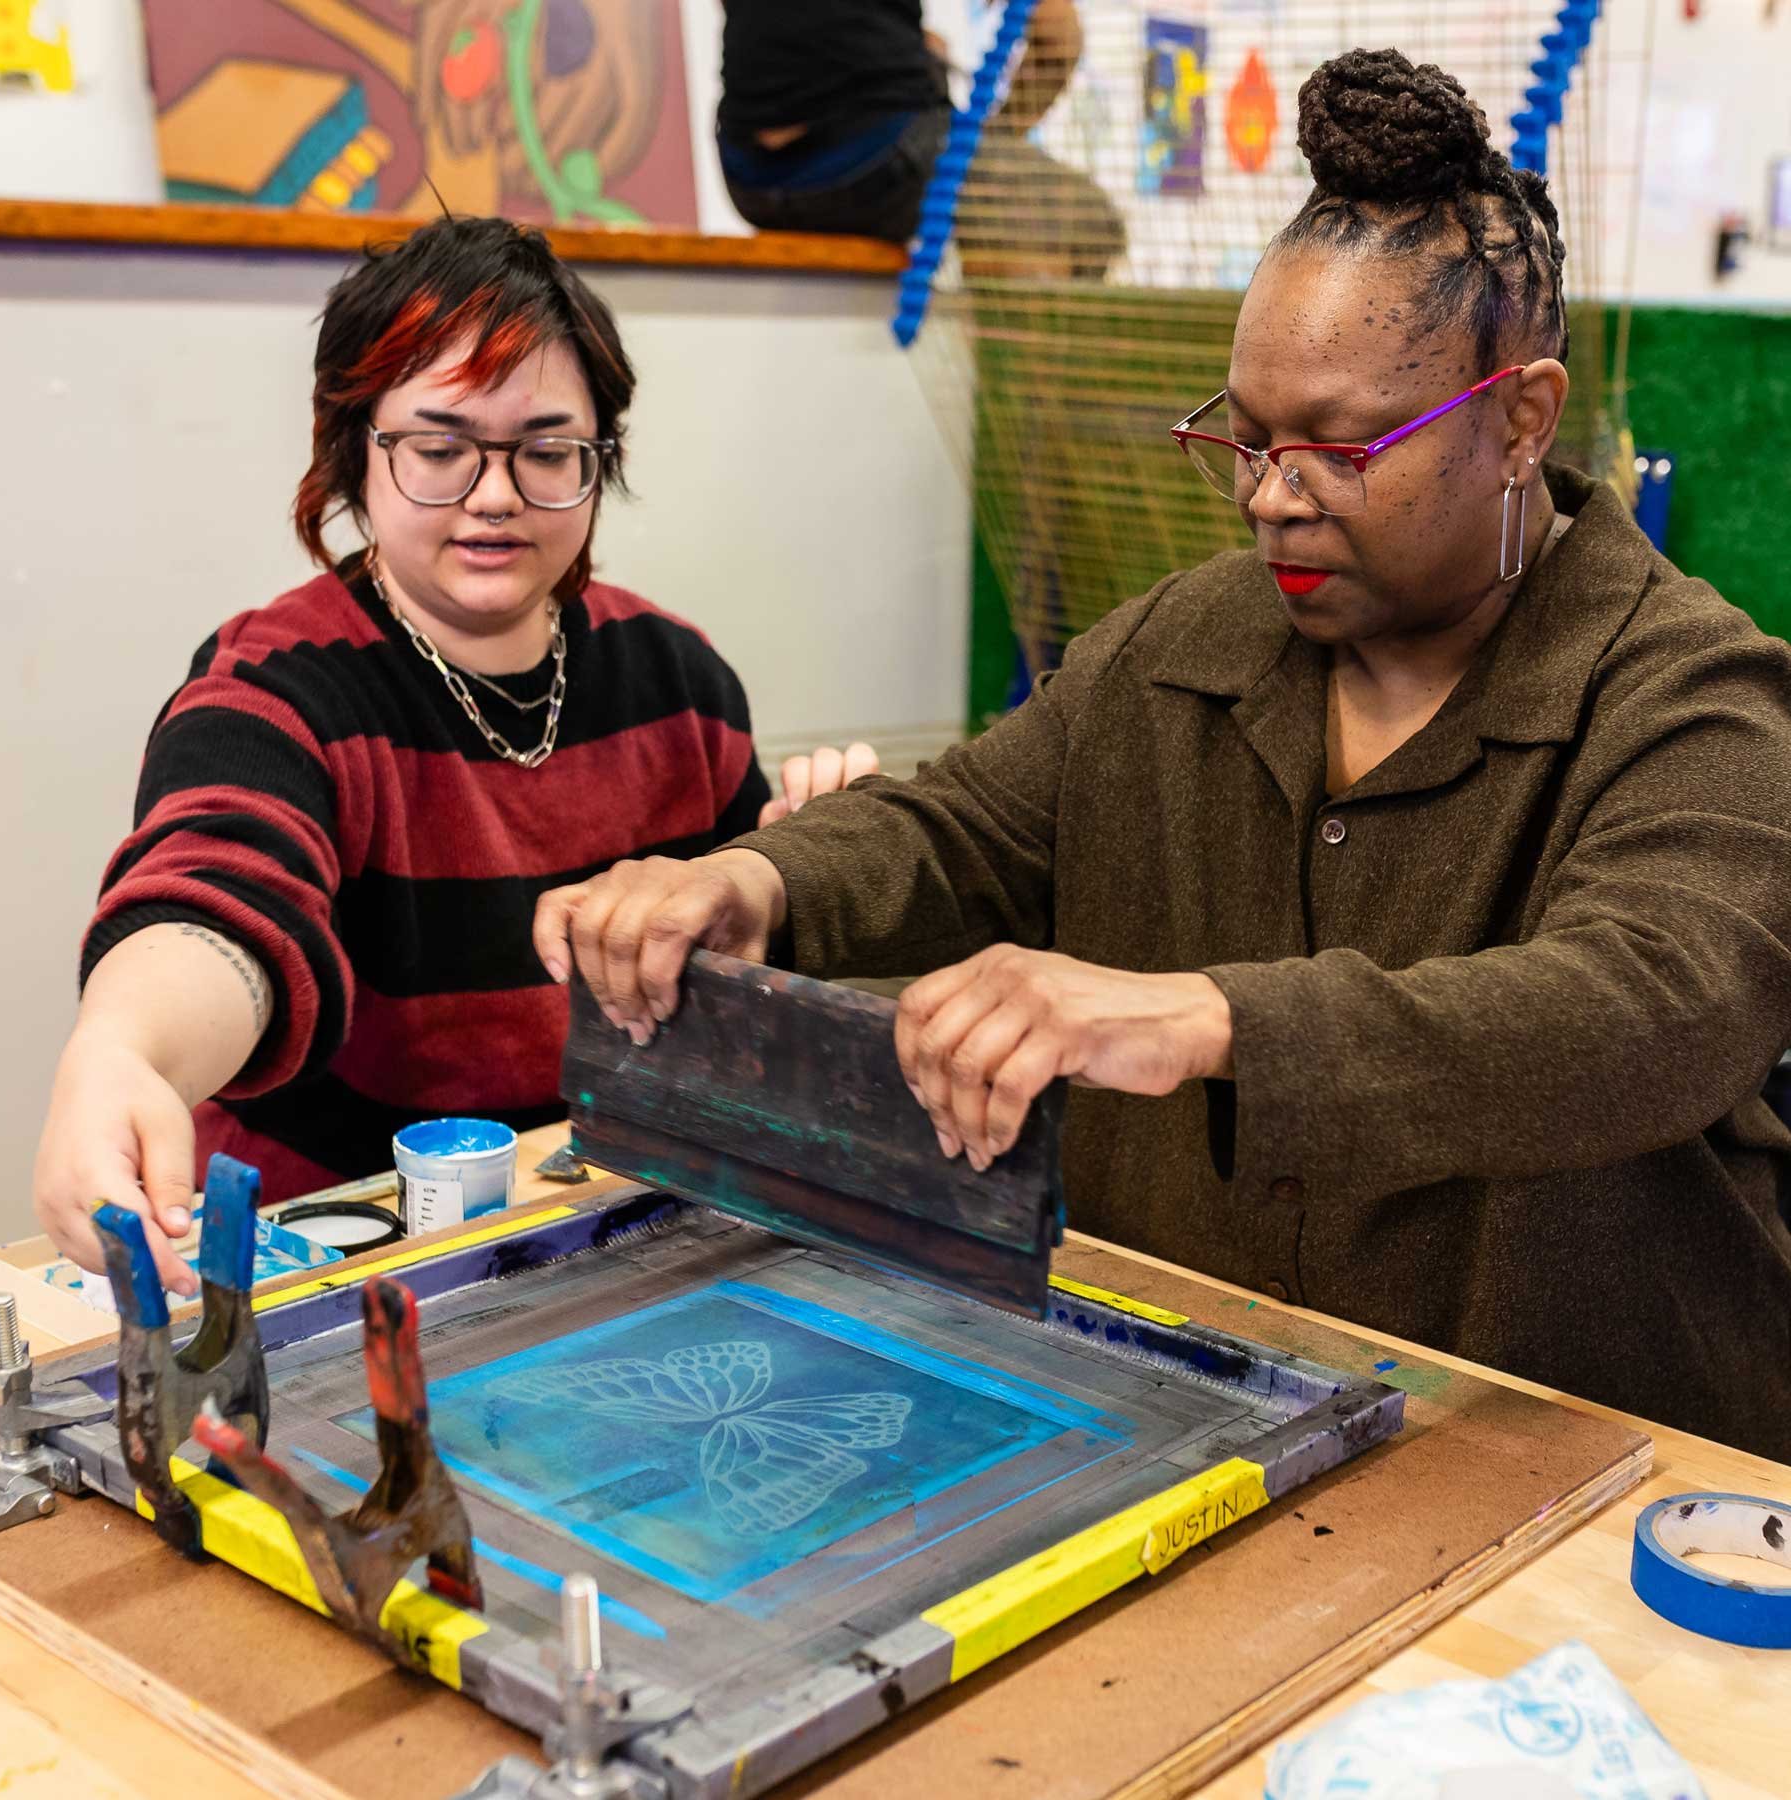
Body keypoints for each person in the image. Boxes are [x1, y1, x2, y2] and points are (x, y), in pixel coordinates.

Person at [534, 51, 1791, 1461]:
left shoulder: (1693, 695)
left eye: (1342, 450)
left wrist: (1202, 1021)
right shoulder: (1187, 641)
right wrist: (757, 884)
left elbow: (1651, 1009)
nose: (1273, 497)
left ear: (1521, 421)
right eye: (1247, 443)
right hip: (1203, 1405)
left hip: (1581, 1463)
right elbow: (967, 827)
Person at [32, 216, 875, 1296]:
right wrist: (123, 1052)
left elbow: (725, 1009)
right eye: (439, 448)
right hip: (335, 1265)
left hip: (612, 1233)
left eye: (546, 451)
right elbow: (219, 901)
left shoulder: (678, 679)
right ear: (355, 453)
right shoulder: (276, 686)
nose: (494, 495)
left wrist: (809, 876)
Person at [715, 0, 1083, 243]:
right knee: (1090, 224)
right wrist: (995, 143)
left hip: (748, 177)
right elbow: (1057, 37)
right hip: (879, 167)